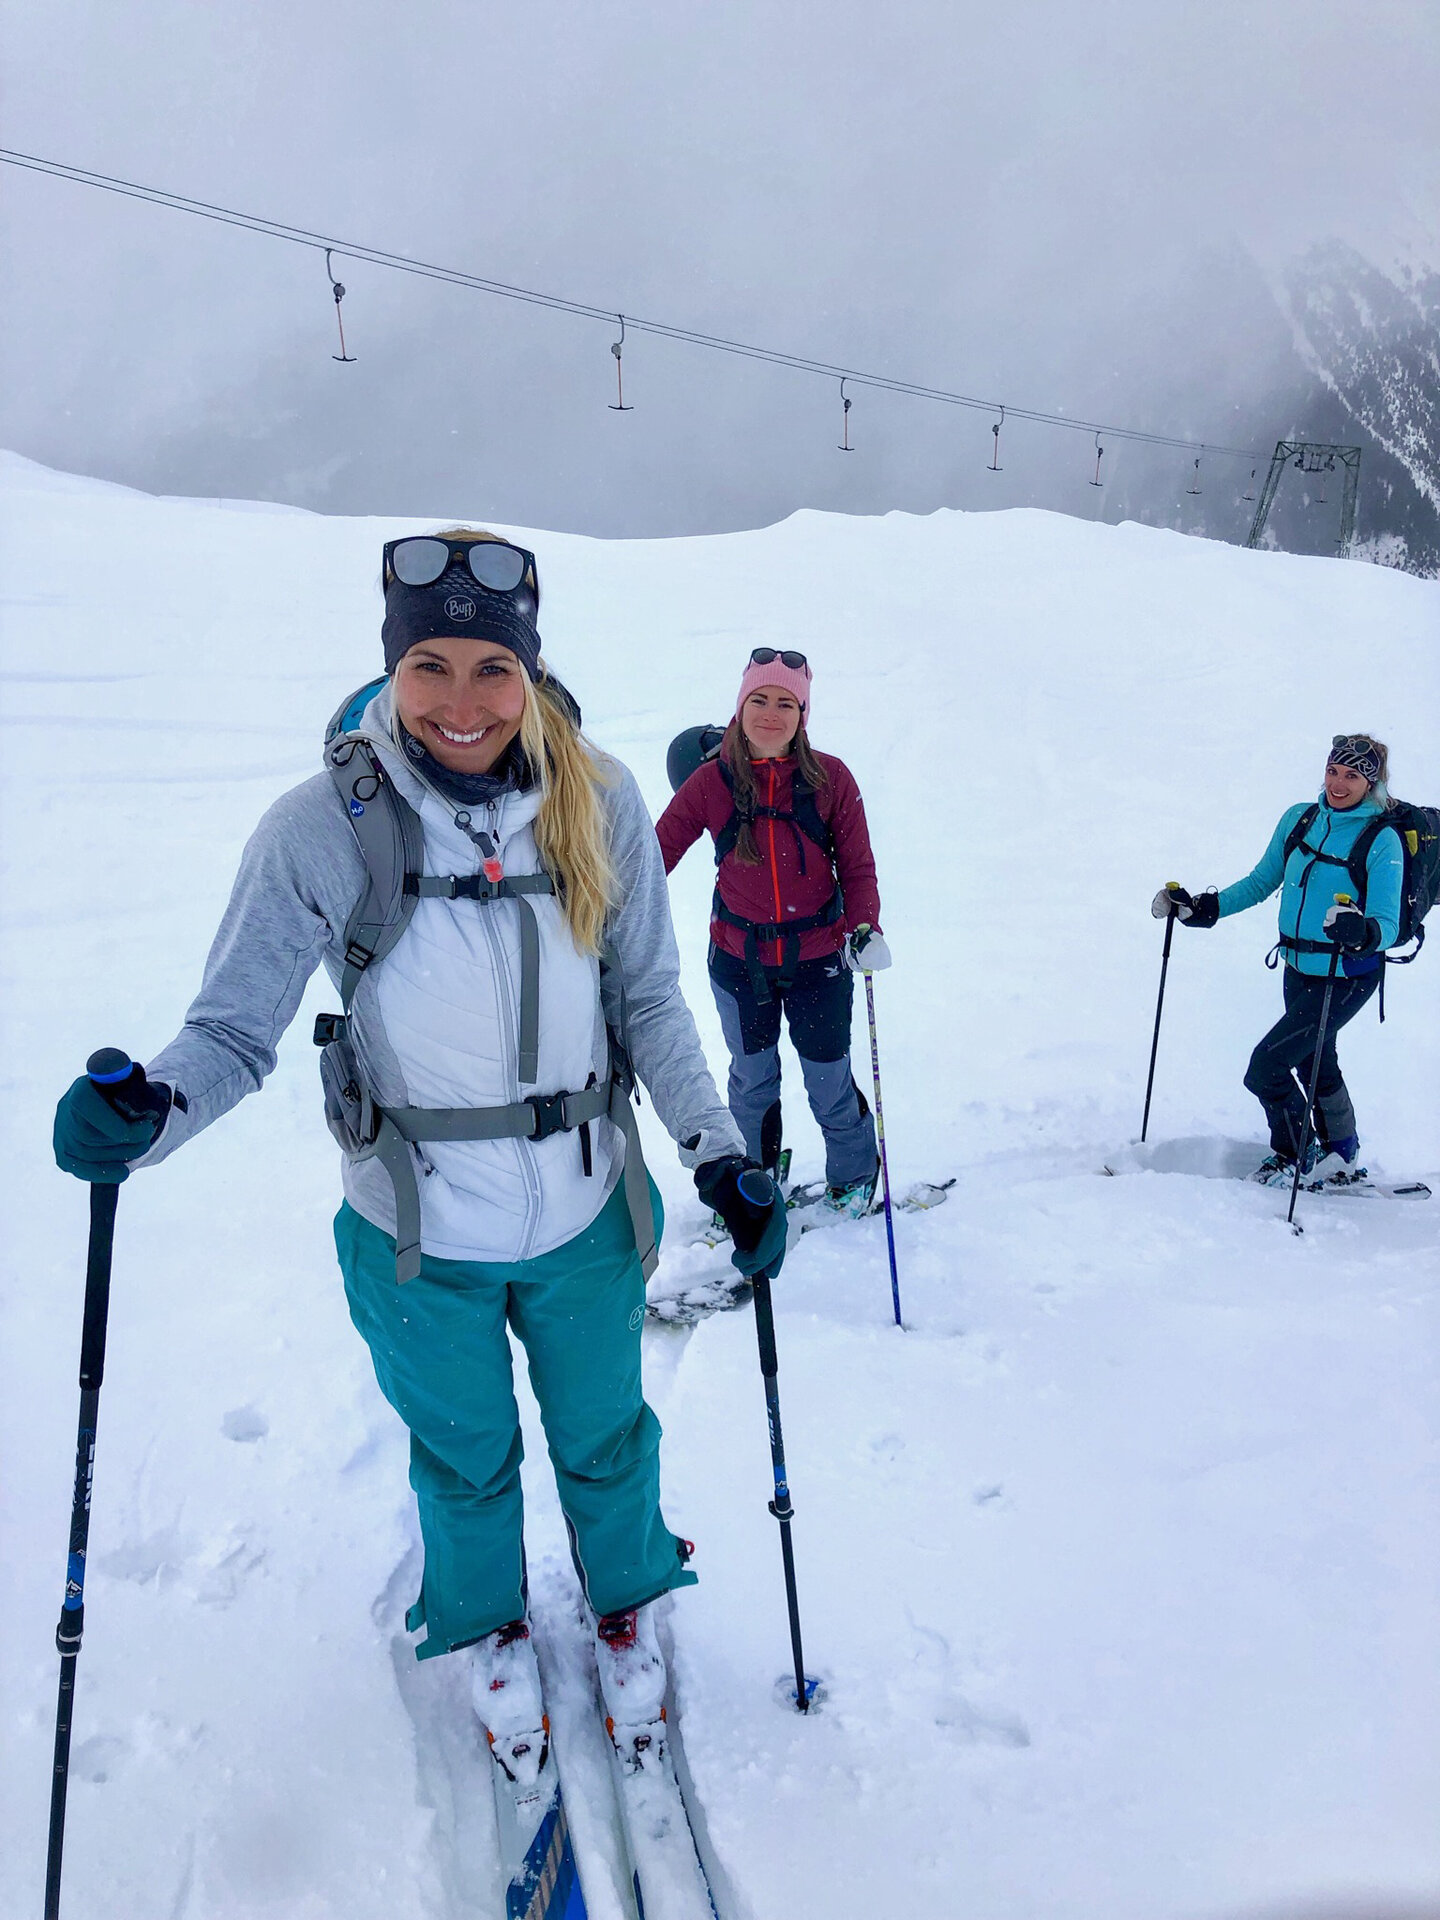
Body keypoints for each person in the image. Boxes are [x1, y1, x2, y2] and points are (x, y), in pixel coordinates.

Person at [52, 528, 786, 1770]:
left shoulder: (600, 799)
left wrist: (717, 1153)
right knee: (464, 1452)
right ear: (390, 666)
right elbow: (231, 1029)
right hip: (415, 1232)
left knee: (606, 1433)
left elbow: (651, 1001)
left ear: (530, 670)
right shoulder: (321, 827)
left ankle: (625, 1601)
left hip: (585, 1211)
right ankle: (489, 1622)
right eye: (429, 666)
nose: (462, 702)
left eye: (493, 669)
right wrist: (151, 1113)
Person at [656, 648, 891, 1217]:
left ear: (802, 714)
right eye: (759, 699)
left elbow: (857, 866)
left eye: (786, 703)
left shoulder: (830, 778)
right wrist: (604, 907)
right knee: (751, 1080)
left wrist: (864, 926)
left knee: (828, 1079)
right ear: (740, 708)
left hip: (819, 959)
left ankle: (854, 1177)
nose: (770, 713)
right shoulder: (711, 781)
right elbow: (654, 855)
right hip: (739, 961)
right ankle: (755, 1180)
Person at [1155, 732, 1403, 1186]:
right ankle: (1342, 1154)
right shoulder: (1300, 819)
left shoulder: (1382, 839)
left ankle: (1296, 1154)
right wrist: (1206, 908)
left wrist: (1362, 931)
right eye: (1333, 771)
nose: (1338, 784)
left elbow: (1386, 923)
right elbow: (1260, 882)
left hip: (1347, 973)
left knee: (1266, 1068)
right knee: (1314, 1061)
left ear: (1372, 783)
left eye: (1352, 776)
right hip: (1297, 965)